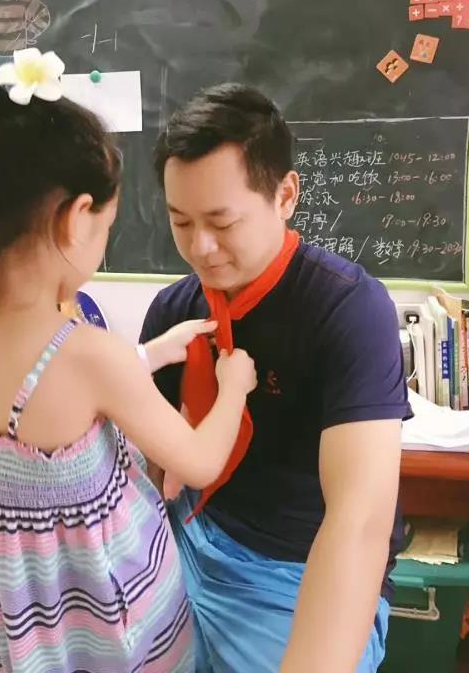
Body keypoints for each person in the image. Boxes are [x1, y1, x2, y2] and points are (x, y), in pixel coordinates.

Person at [0, 54, 256, 673]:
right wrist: (233, 387)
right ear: (74, 217)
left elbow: (50, 409)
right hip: (109, 609)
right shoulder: (88, 355)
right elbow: (198, 460)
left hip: (23, 609)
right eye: (106, 226)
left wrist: (152, 353)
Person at [138, 83, 411, 672]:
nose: (200, 247)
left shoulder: (348, 309)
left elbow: (360, 523)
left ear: (285, 195)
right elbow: (149, 471)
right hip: (190, 536)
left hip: (295, 567)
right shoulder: (174, 311)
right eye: (181, 222)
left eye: (222, 222)